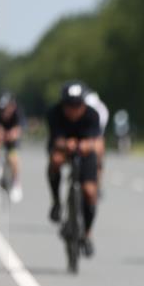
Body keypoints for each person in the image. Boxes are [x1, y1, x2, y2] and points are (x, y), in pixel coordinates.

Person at [46, 81, 102, 257]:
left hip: (85, 152)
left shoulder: (92, 115)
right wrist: (65, 144)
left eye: (77, 105)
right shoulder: (54, 113)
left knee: (90, 191)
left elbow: (97, 142)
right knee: (55, 161)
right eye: (69, 105)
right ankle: (56, 201)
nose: (73, 110)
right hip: (63, 147)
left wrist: (88, 145)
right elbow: (55, 139)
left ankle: (87, 233)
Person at [0, 92, 25, 202]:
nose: (4, 112)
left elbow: (20, 127)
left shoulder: (18, 112)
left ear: (12, 106)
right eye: (2, 110)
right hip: (0, 132)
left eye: (6, 109)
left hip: (12, 135)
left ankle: (16, 183)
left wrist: (14, 133)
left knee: (13, 158)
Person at [84, 89, 110, 187]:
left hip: (96, 134)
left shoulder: (102, 110)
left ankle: (98, 178)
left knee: (99, 152)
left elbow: (100, 130)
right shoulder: (81, 109)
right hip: (82, 134)